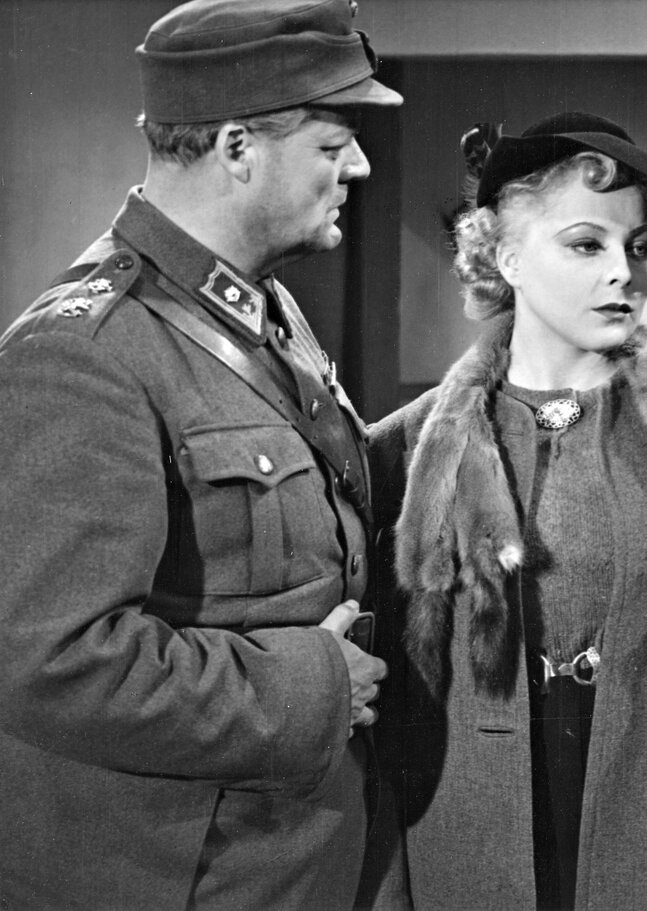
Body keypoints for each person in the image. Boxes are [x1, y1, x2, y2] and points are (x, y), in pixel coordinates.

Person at [361, 112, 647, 911]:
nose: (625, 273)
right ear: (507, 256)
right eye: (587, 245)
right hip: (465, 834)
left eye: (638, 247)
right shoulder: (404, 454)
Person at [0, 1, 401, 908]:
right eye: (334, 144)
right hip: (187, 875)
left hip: (297, 855)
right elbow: (52, 660)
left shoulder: (260, 310)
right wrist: (310, 689)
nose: (360, 166)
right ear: (237, 147)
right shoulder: (85, 351)